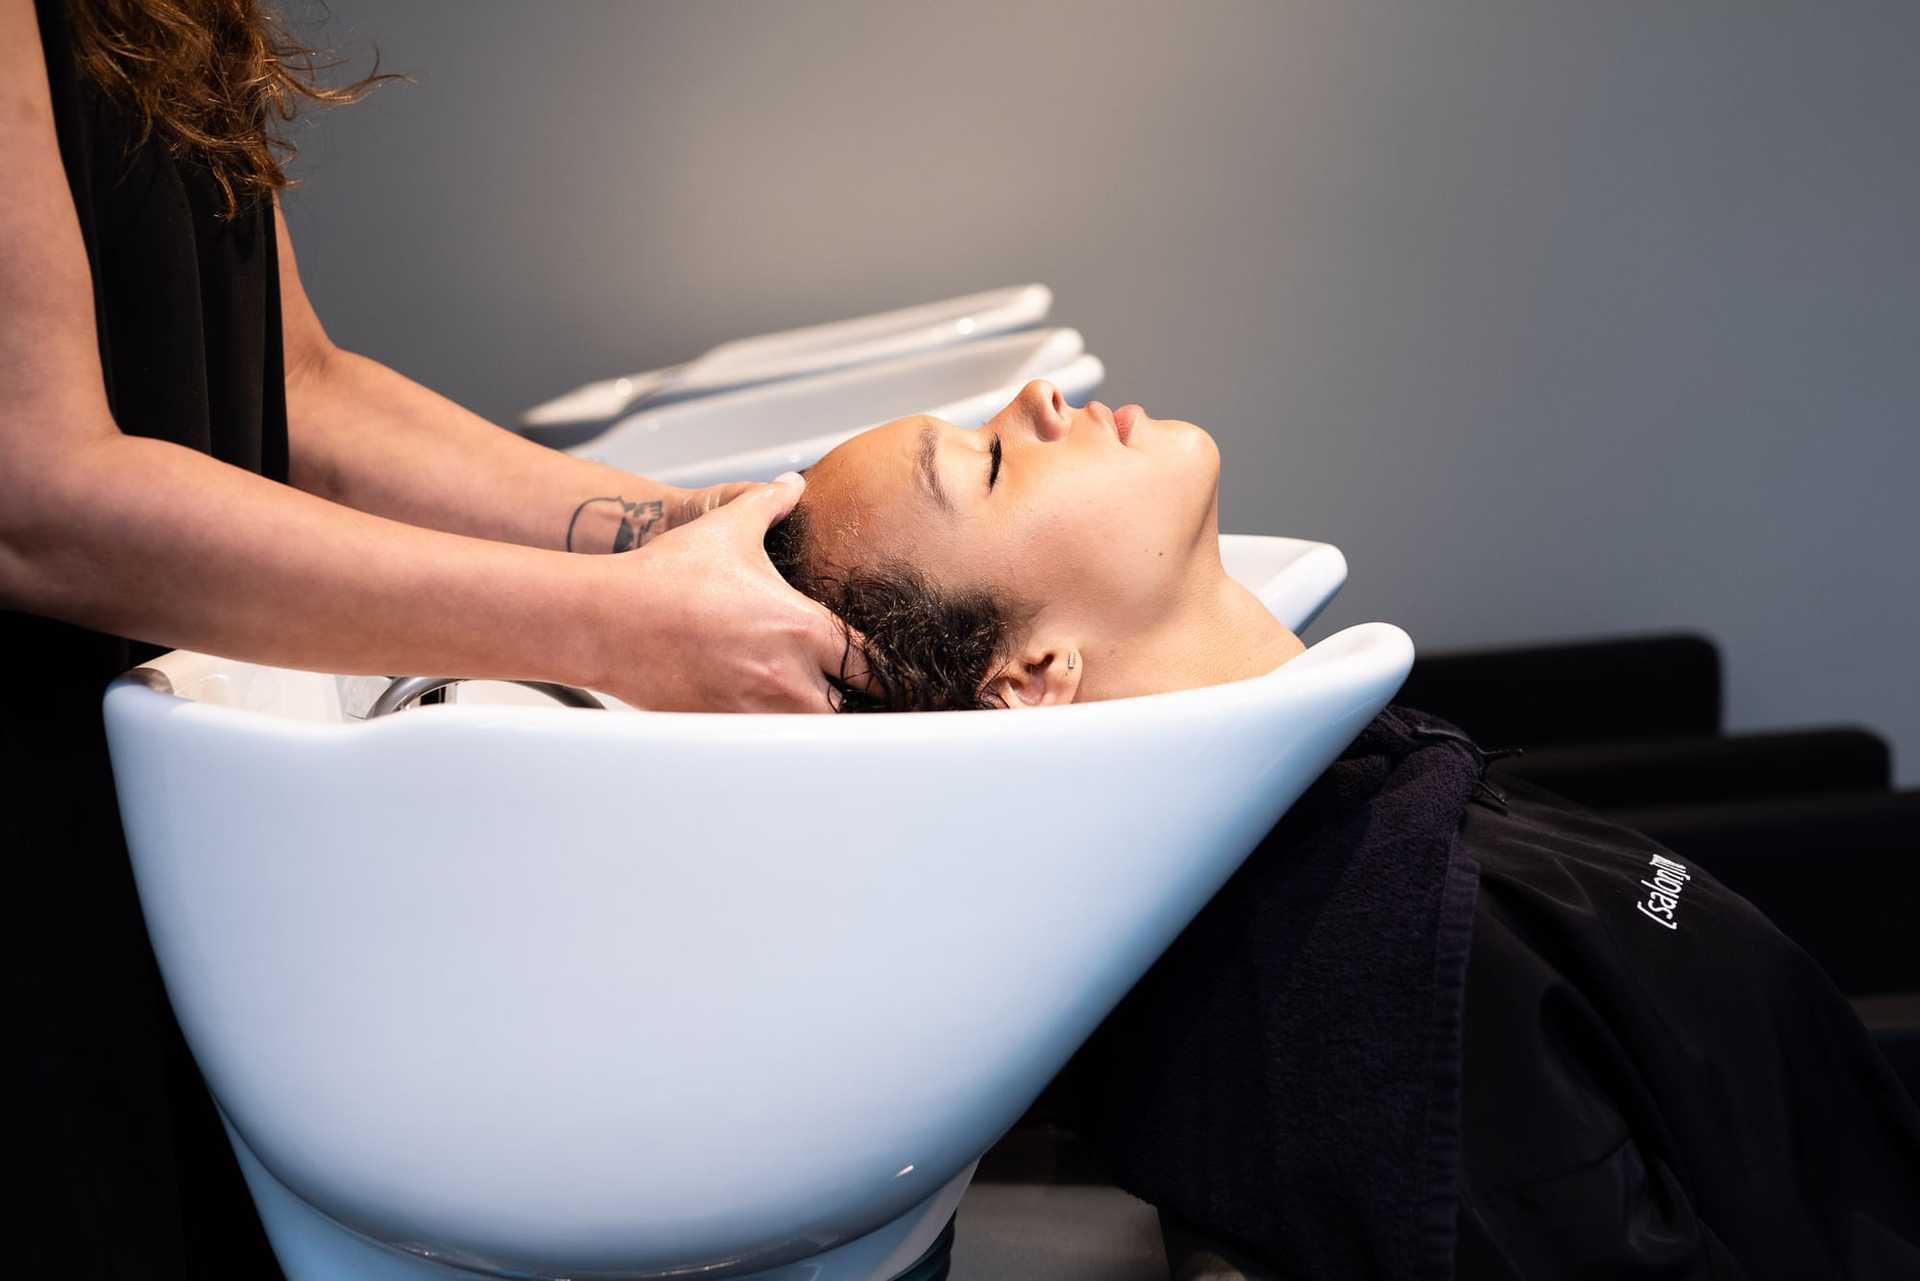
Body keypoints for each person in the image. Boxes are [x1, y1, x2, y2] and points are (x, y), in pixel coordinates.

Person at [1, 2, 863, 1275]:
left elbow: (300, 390)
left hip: (161, 793)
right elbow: (34, 498)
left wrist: (676, 528)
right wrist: (619, 625)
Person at [765, 380, 1920, 1277]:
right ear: (1027, 675)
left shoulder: (1373, 841)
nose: (1038, 402)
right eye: (994, 462)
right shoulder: (1380, 990)